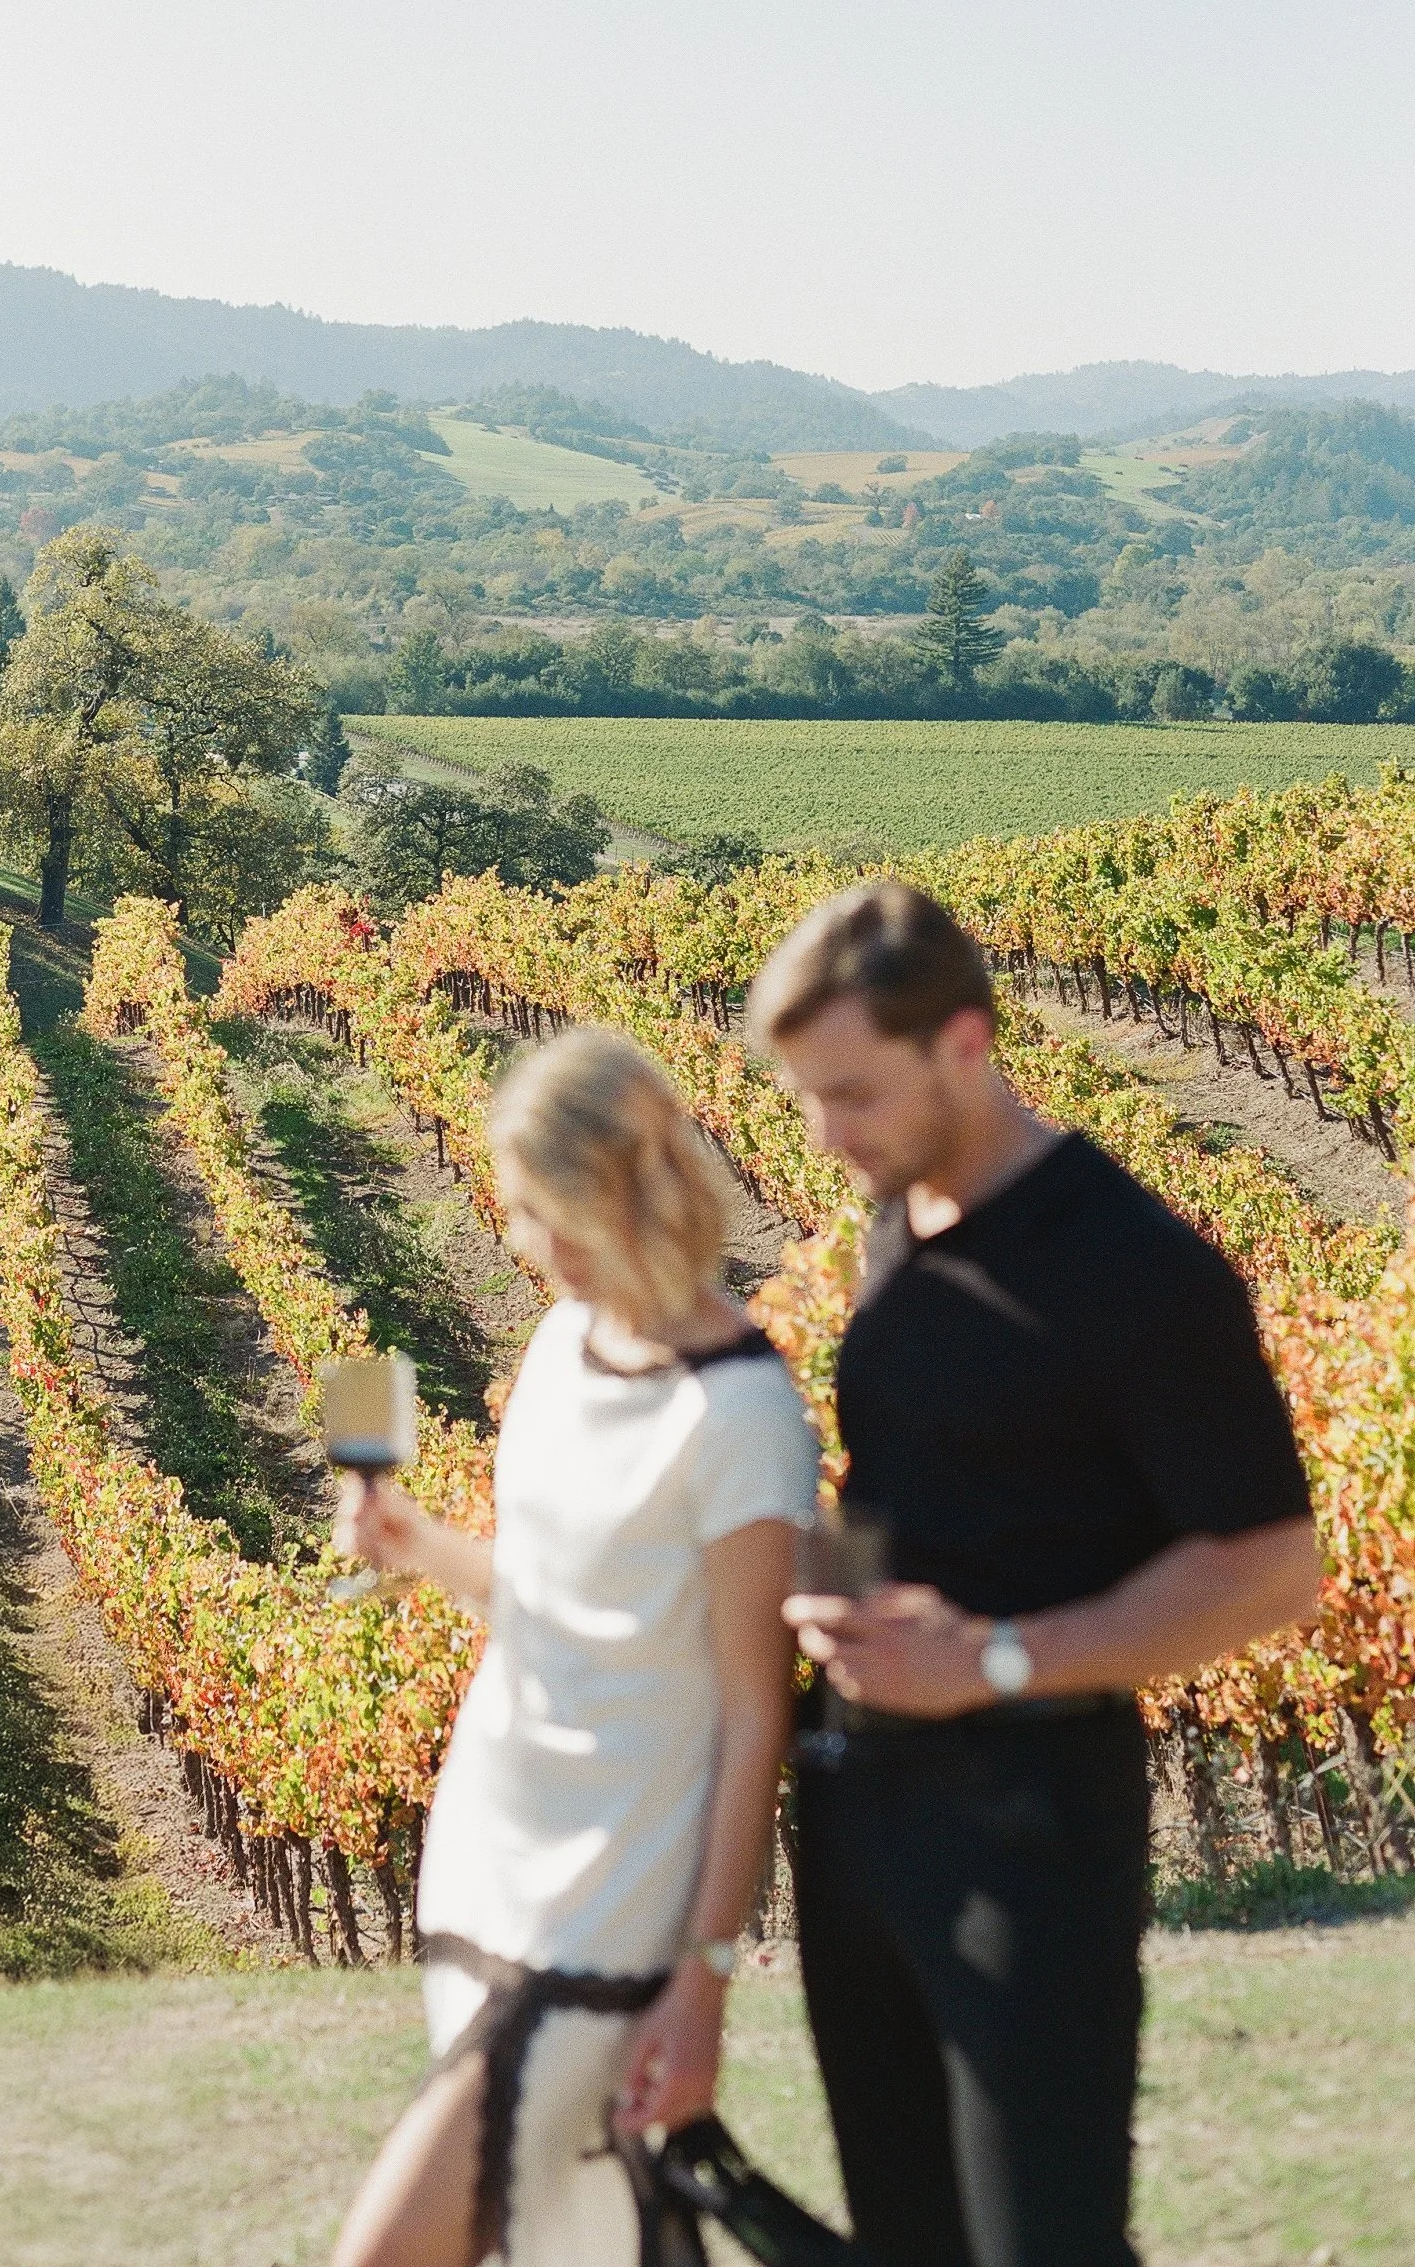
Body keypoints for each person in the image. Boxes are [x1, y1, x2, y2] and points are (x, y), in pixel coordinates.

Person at [749, 881, 1320, 2267]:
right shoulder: (902, 1225)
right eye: (807, 1100)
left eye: (854, 1095)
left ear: (966, 1042)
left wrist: (996, 1657)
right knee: (908, 2244)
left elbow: (1274, 1567)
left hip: (1030, 1829)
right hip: (857, 1819)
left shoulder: (1131, 1267)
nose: (828, 1137)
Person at [330, 1024, 819, 2267]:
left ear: (607, 1197)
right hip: (488, 1852)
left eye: (530, 1208)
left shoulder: (743, 1414)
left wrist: (701, 1979)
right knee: (574, 2243)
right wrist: (414, 1542)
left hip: (606, 1901)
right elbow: (546, 1604)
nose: (514, 1239)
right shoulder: (558, 1348)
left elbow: (755, 1715)